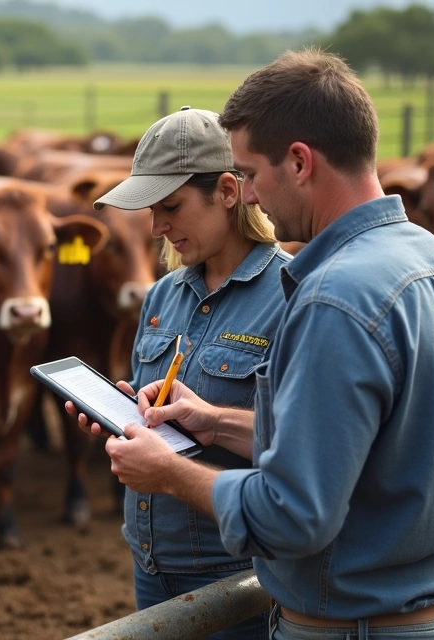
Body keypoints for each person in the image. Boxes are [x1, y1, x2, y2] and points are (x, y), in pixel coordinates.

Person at [80, 49, 434, 640]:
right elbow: (379, 447)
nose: (248, 195)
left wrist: (168, 473)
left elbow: (293, 514)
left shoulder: (331, 297)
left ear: (299, 162)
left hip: (354, 623)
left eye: (249, 174)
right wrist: (216, 423)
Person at [68, 105, 291, 639]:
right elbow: (161, 411)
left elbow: (305, 447)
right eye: (152, 209)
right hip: (149, 561)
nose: (156, 227)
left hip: (237, 573)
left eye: (170, 206)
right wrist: (127, 415)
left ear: (228, 193)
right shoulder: (162, 296)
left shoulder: (291, 296)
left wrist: (211, 421)